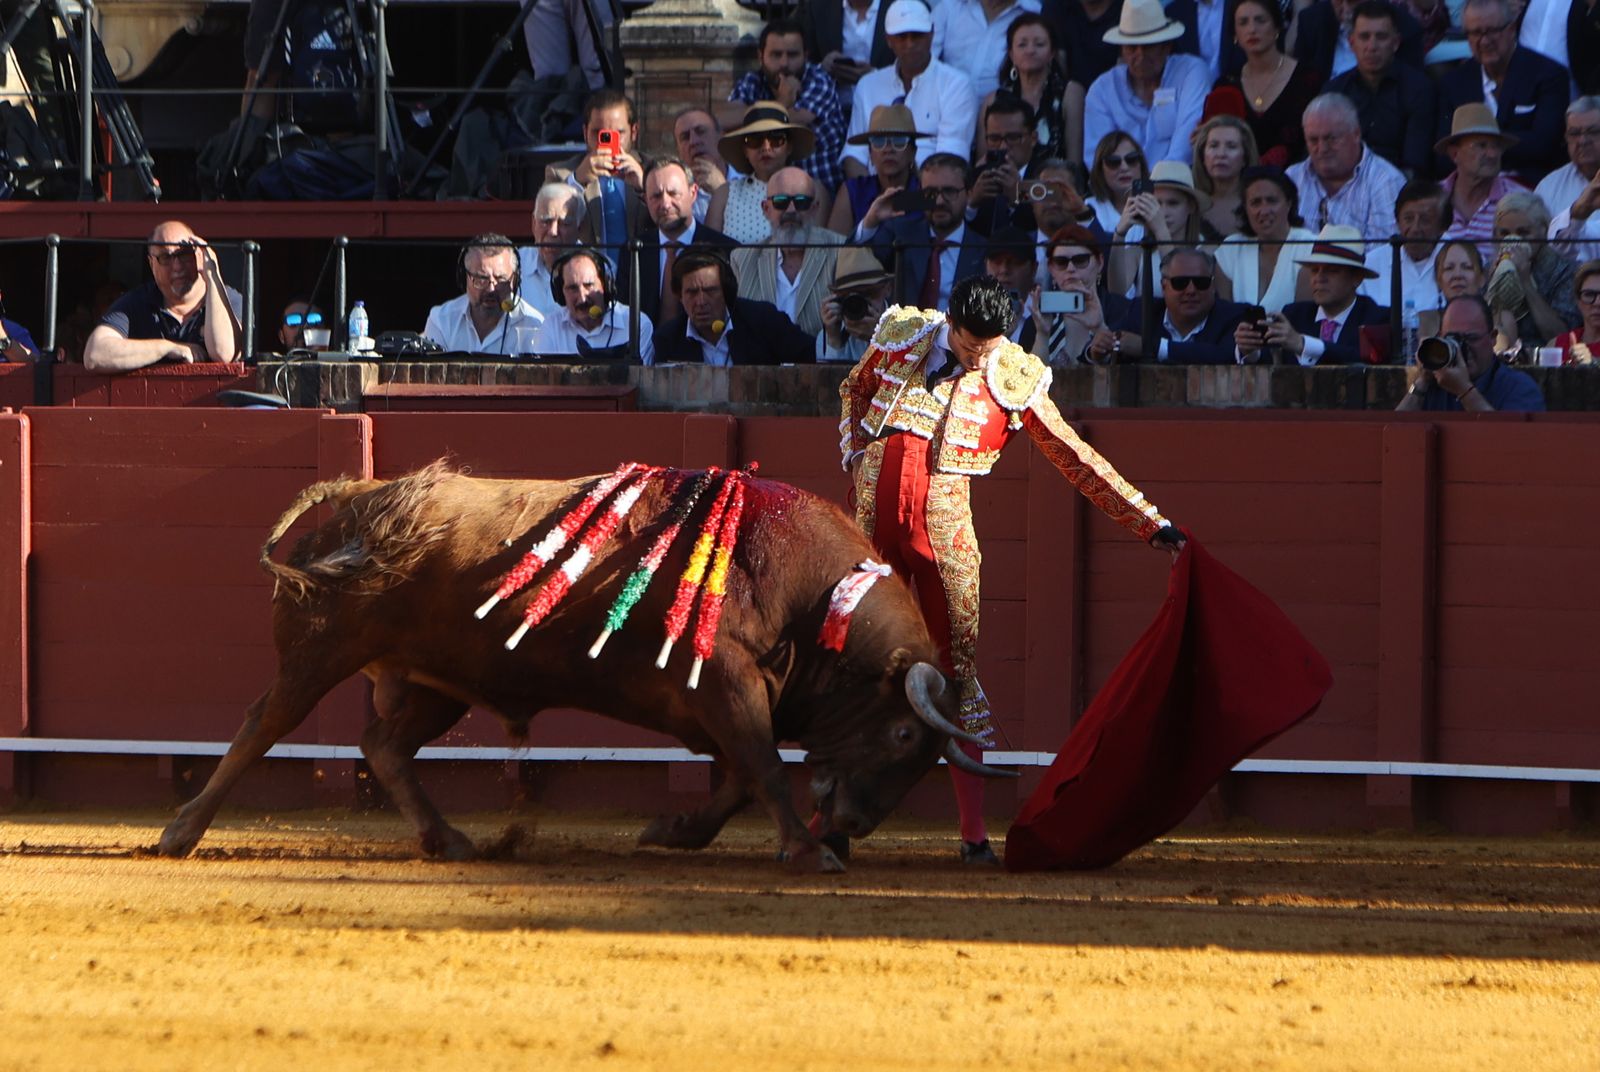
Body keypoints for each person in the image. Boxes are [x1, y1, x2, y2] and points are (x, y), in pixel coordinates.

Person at [838, 273, 1183, 863]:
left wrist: (1150, 522)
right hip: (872, 536)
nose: (979, 357)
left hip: (945, 544)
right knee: (855, 670)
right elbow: (853, 389)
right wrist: (854, 452)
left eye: (990, 345)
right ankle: (830, 819)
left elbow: (1074, 455)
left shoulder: (1014, 375)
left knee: (958, 678)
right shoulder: (901, 332)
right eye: (971, 343)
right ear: (951, 322)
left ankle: (973, 836)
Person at [1434, 0, 1570, 182]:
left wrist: (1473, 148)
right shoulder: (1454, 83)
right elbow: (1443, 153)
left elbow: (1543, 144)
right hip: (1468, 187)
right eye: (1475, 33)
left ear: (1512, 29)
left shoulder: (1548, 75)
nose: (1485, 41)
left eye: (1492, 30)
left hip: (1529, 187)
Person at [841, 0, 980, 177]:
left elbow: (951, 161)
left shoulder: (957, 85)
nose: (910, 43)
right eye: (901, 36)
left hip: (931, 195)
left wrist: (904, 200)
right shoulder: (867, 85)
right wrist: (870, 197)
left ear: (931, 35)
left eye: (917, 35)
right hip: (872, 193)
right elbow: (854, 156)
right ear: (888, 40)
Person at [84, 221, 242, 372]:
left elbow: (223, 353)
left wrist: (212, 274)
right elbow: (95, 355)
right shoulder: (139, 301)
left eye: (184, 254)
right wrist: (167, 347)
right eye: (165, 257)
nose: (177, 266)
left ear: (200, 255)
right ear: (152, 264)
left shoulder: (228, 299)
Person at [723, 19, 849, 194]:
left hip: (820, 193)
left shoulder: (819, 81)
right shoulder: (753, 82)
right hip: (769, 196)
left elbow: (791, 121)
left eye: (792, 55)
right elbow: (724, 121)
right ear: (761, 56)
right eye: (776, 54)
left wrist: (754, 116)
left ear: (806, 55)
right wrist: (782, 102)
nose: (784, 63)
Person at [1233, 223, 1389, 364]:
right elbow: (1270, 361)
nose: (1319, 278)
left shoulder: (1376, 317)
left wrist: (1303, 345)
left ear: (1356, 278)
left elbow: (1365, 361)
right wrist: (1250, 350)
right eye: (1314, 270)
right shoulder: (1294, 314)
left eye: (1332, 271)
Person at [1081, 0, 1210, 166]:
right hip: (1121, 190)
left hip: (1180, 185)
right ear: (1122, 50)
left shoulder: (1191, 71)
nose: (1140, 55)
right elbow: (1098, 158)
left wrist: (1161, 182)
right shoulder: (1102, 90)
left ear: (1167, 46)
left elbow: (1186, 139)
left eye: (1149, 46)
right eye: (1132, 47)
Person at [860, 152, 990, 307]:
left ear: (968, 194)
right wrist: (870, 221)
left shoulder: (983, 250)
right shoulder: (900, 234)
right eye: (930, 193)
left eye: (949, 192)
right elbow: (856, 265)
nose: (940, 201)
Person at [1324, 0, 1438, 177]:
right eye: (1364, 37)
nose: (1372, 46)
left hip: (1399, 187)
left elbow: (1415, 164)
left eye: (1381, 37)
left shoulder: (1419, 90)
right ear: (1352, 42)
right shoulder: (1335, 92)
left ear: (1396, 43)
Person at [731, 167, 844, 336]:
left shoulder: (841, 250)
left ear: (815, 208)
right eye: (781, 201)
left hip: (821, 359)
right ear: (766, 209)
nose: (791, 210)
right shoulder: (742, 258)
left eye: (801, 202)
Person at [652, 249, 815, 365]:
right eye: (692, 292)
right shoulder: (667, 340)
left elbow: (812, 356)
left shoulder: (764, 320)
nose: (701, 301)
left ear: (727, 292)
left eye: (710, 290)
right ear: (679, 296)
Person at [625, 160, 736, 329]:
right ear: (646, 200)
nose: (665, 204)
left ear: (693, 193)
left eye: (673, 193)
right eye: (655, 196)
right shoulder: (633, 251)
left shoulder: (727, 250)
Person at [1285, 92, 1406, 243]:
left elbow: (1382, 254)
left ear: (1356, 134)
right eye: (1313, 140)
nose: (1322, 148)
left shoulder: (1386, 180)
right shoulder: (1292, 178)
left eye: (1331, 139)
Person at [1214, 0, 1323, 165]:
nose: (1252, 29)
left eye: (1260, 20)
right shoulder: (1226, 85)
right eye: (1243, 23)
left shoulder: (1308, 79)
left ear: (1277, 27)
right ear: (1235, 34)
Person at [544, 90, 651, 257]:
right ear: (585, 133)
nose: (607, 142)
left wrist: (645, 187)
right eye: (599, 134)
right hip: (586, 278)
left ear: (634, 132)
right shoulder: (560, 173)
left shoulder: (653, 170)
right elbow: (545, 222)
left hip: (640, 276)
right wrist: (576, 181)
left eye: (618, 133)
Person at [1395, 294, 1546, 411]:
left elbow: (1506, 442)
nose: (1462, 347)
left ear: (1493, 338)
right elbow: (1394, 436)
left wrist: (1464, 391)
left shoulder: (1518, 387)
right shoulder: (1434, 385)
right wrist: (1422, 382)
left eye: (1471, 338)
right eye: (1452, 339)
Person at [1106, 246, 1250, 362]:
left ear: (1212, 286)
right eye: (1180, 283)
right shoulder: (1142, 311)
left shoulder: (1234, 316)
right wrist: (1097, 351)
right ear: (1164, 287)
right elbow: (1109, 341)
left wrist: (1152, 348)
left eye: (1201, 282)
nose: (1191, 290)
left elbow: (1224, 355)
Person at [708, 102, 818, 245]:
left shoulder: (812, 190)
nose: (766, 147)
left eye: (776, 139)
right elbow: (709, 254)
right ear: (745, 150)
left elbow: (822, 251)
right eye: (754, 140)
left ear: (789, 146)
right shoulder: (724, 195)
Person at [422, 234, 546, 356]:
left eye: (501, 279)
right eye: (481, 279)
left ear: (515, 280)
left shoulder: (534, 325)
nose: (491, 288)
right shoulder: (441, 320)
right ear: (464, 278)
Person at [1485, 191, 1579, 348]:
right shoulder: (1489, 268)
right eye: (1505, 233)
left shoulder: (1564, 271)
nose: (1513, 240)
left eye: (1523, 233)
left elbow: (1561, 336)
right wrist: (1494, 284)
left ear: (1543, 230)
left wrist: (1526, 281)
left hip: (1545, 359)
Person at [1215, 165, 1315, 311]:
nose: (1264, 211)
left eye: (1272, 201)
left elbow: (1304, 318)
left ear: (1289, 203)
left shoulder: (1310, 246)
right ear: (1245, 208)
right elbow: (1224, 316)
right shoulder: (1230, 248)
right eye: (1256, 203)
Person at [986, 14, 1084, 164]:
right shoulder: (994, 100)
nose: (1030, 50)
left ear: (1052, 52)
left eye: (1039, 44)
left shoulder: (1070, 93)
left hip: (1056, 183)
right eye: (1022, 45)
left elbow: (1074, 162)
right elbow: (985, 159)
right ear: (1011, 54)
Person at [1029, 222, 1132, 364]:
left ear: (1100, 262)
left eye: (1080, 260)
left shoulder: (1123, 311)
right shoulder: (1039, 319)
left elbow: (1126, 367)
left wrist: (1099, 327)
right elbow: (1029, 380)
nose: (1070, 268)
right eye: (1061, 262)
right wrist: (1042, 335)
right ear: (1051, 268)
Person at [1106, 159, 1212, 296]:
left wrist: (1161, 231)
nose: (1162, 212)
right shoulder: (1138, 252)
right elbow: (1116, 293)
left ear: (1191, 206)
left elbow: (1179, 287)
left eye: (1173, 203)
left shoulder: (1207, 251)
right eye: (1156, 203)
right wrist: (1119, 233)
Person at [1438, 103, 1526, 263]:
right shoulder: (1433, 200)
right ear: (1454, 154)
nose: (1492, 154)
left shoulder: (1520, 201)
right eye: (1481, 146)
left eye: (1497, 146)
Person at [534, 247, 654, 363]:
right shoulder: (551, 328)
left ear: (606, 285)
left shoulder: (637, 325)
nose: (582, 298)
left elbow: (640, 380)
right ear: (560, 294)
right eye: (572, 288)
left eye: (589, 285)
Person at [827, 104, 928, 234]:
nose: (888, 149)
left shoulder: (926, 191)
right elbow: (833, 250)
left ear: (913, 152)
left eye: (899, 141)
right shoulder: (852, 191)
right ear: (870, 153)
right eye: (879, 141)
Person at [1359, 178, 1446, 313]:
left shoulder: (1460, 259)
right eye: (1408, 219)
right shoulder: (1372, 264)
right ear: (1398, 222)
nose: (1415, 228)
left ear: (1442, 226)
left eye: (1425, 220)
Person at [931, 0, 1043, 101]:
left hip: (1005, 114)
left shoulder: (1035, 13)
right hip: (946, 108)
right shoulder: (949, 7)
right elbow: (925, 60)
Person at [1291, 0, 1426, 84]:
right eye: (1338, 1)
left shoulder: (1405, 28)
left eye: (1352, 2)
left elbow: (1411, 89)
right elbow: (1300, 83)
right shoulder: (1312, 20)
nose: (1344, 8)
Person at [969, 95, 1043, 234]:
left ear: (1033, 139)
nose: (1003, 146)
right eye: (994, 138)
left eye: (1013, 137)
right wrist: (972, 205)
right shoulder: (976, 178)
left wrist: (1018, 194)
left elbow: (1046, 221)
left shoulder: (1046, 175)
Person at [516, 184, 588, 323]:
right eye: (545, 221)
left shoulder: (599, 271)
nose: (553, 232)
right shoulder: (514, 265)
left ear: (580, 227)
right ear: (533, 223)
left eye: (564, 223)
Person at [1541, 98, 1600, 264]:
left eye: (1593, 131)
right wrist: (1579, 211)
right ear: (1566, 138)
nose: (1582, 141)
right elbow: (1546, 252)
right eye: (1574, 133)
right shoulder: (1548, 187)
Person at [801, 0, 895, 100]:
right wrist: (823, 67)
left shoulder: (899, 7)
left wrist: (875, 75)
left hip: (884, 103)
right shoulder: (819, 6)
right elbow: (805, 60)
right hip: (834, 105)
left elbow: (909, 62)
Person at [819, 247, 896, 362]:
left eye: (869, 293)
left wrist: (879, 339)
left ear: (887, 289)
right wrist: (834, 340)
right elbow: (827, 378)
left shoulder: (906, 331)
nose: (860, 302)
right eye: (850, 295)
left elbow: (901, 374)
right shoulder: (827, 335)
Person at [1190, 115, 1259, 237]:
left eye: (1231, 146)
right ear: (1202, 156)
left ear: (1245, 158)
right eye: (1214, 146)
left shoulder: (1259, 206)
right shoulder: (1190, 207)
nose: (1221, 154)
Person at [983, 226, 1046, 348]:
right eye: (997, 261)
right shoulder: (970, 314)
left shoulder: (1047, 317)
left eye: (1015, 262)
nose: (1004, 270)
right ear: (986, 264)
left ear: (1034, 268)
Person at [673, 107, 730, 222]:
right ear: (678, 151)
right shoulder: (677, 196)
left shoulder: (748, 181)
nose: (693, 142)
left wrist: (722, 192)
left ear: (720, 137)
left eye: (701, 131)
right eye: (685, 137)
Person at [1084, 129, 1148, 231]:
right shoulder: (1089, 209)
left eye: (1131, 159)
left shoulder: (1159, 205)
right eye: (1113, 162)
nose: (1124, 167)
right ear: (1100, 170)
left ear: (1141, 164)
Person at [1545, 260, 1600, 364]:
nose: (1597, 302)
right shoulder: (1556, 345)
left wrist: (1593, 363)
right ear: (1578, 301)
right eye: (1589, 294)